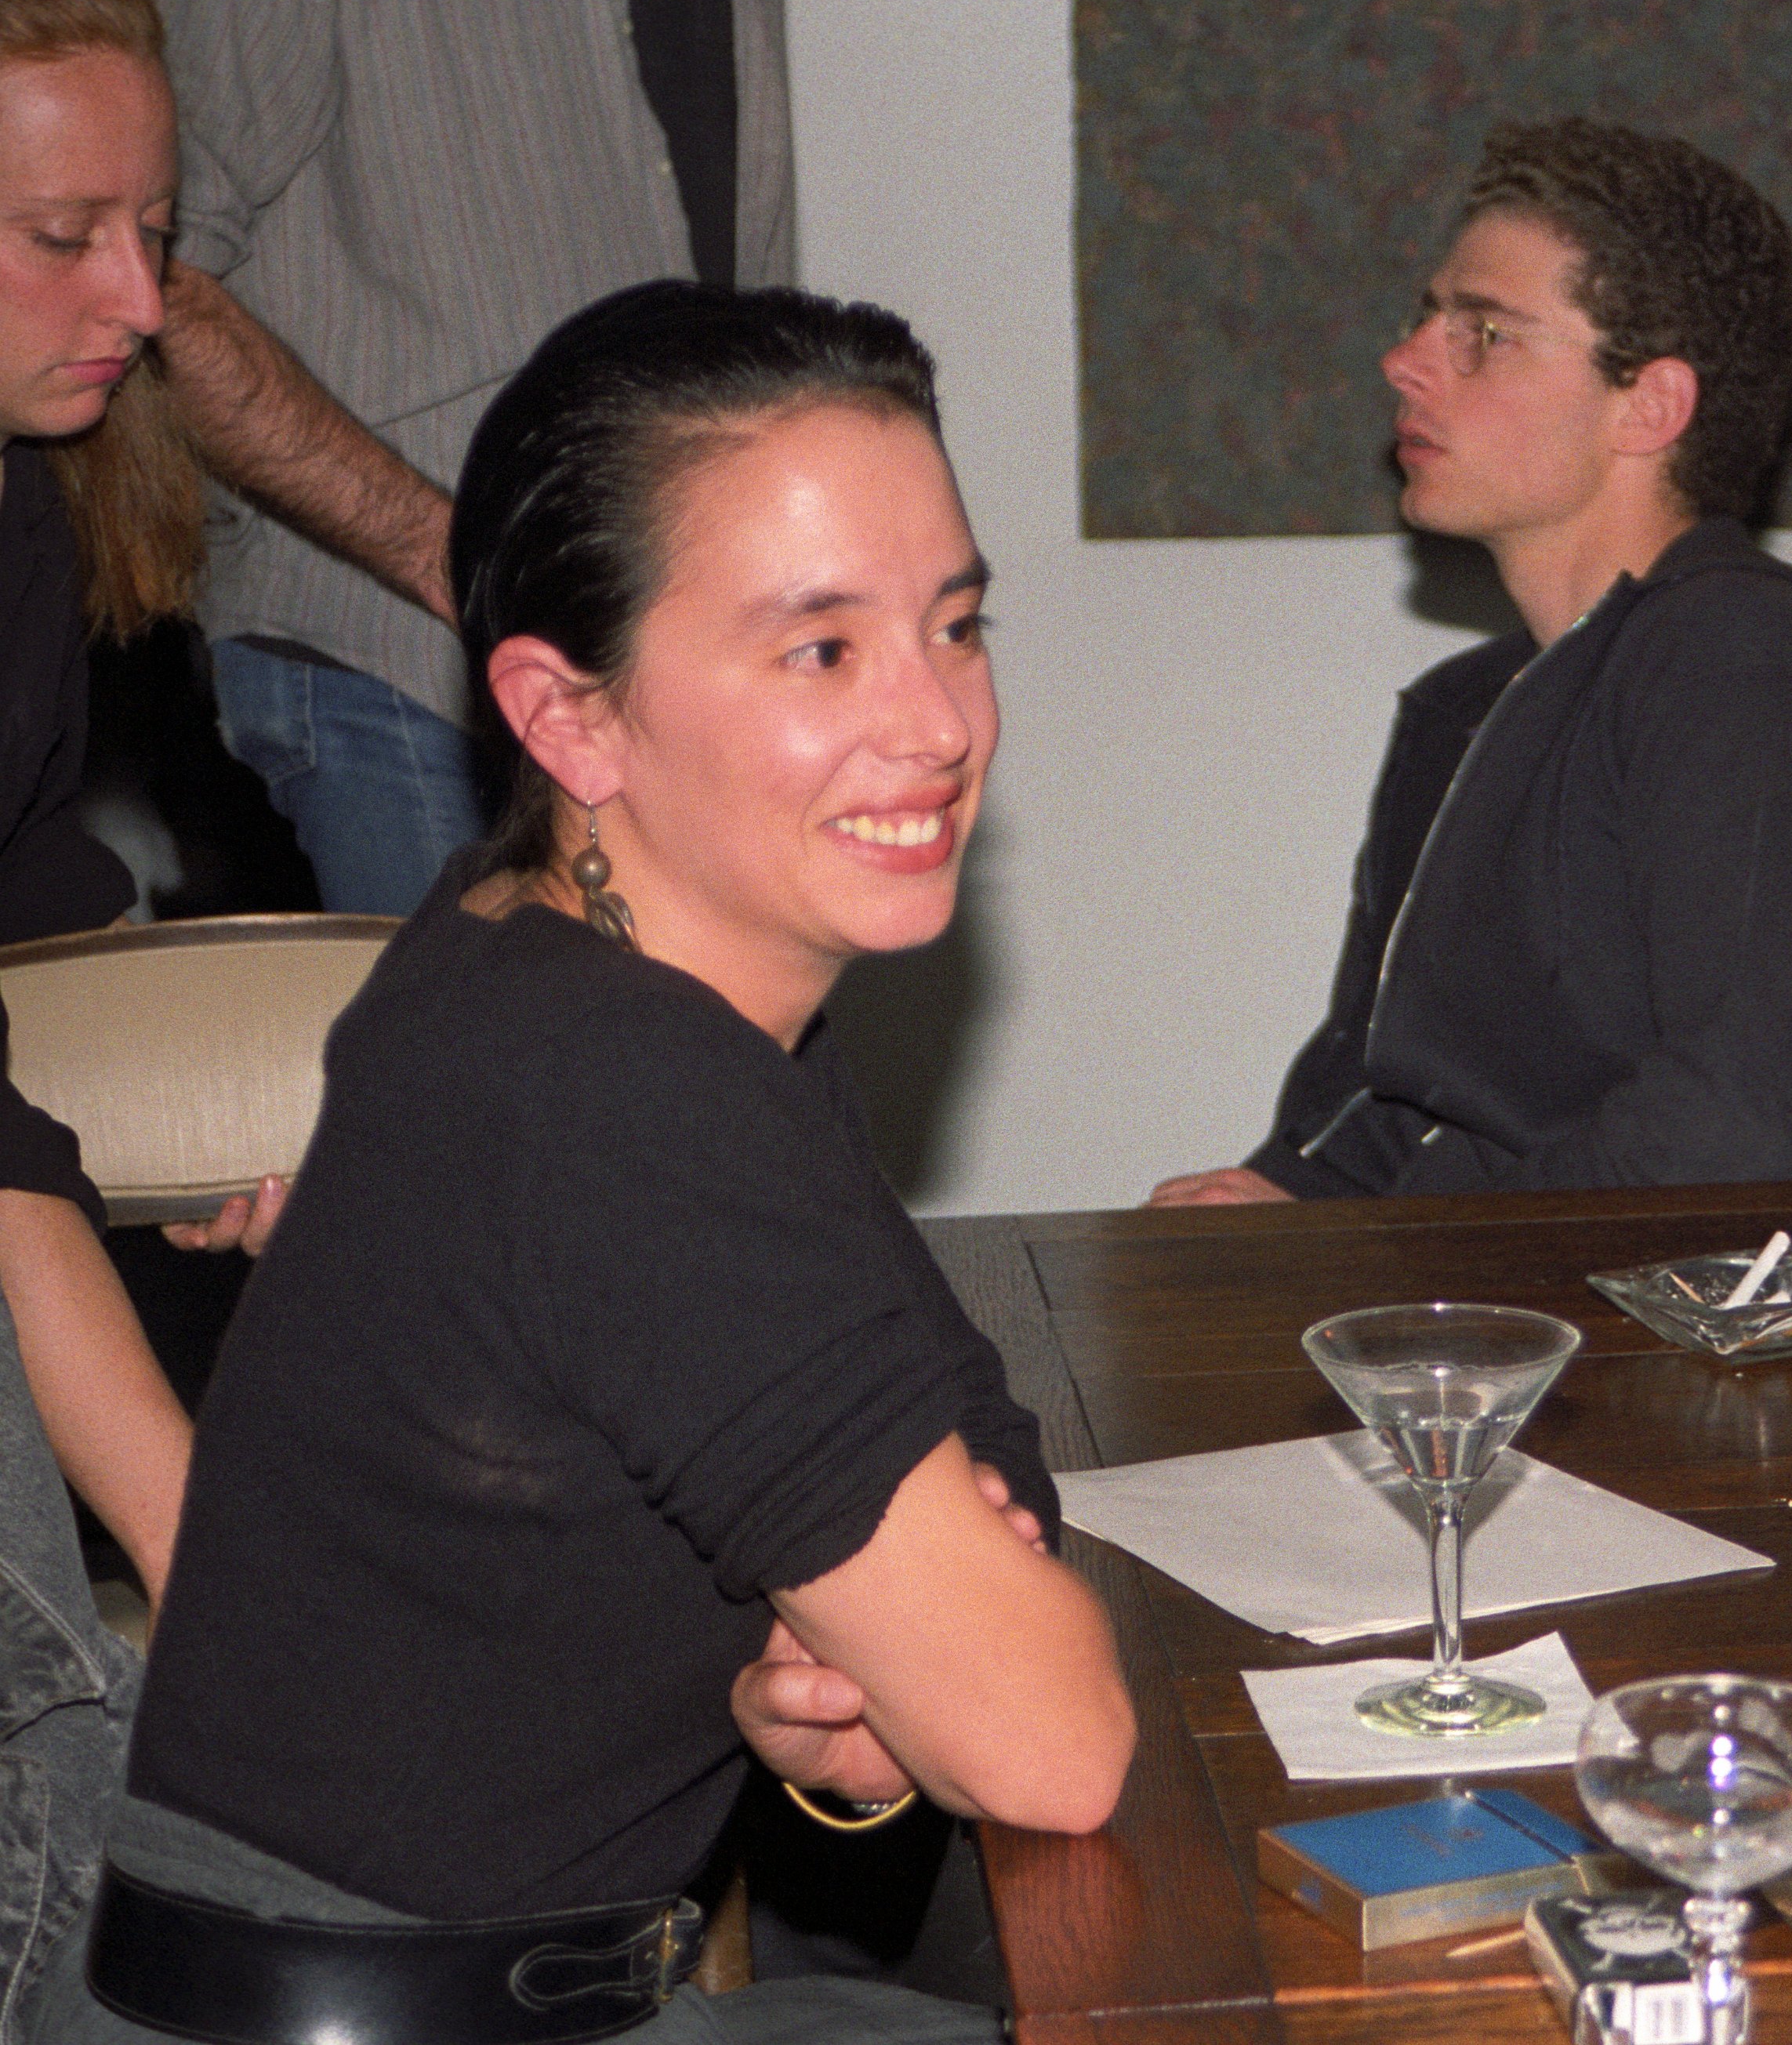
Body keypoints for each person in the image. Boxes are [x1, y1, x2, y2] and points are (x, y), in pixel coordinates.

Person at [33, 281, 1135, 2043]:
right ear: (568, 716)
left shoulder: (563, 962)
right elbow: (1051, 1741)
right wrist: (915, 1640)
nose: (938, 723)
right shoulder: (618, 1088)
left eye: (956, 623)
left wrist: (842, 1683)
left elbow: (980, 1442)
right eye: (822, 649)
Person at [1151, 119, 1792, 1205]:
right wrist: (1281, 1200)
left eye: (1485, 333)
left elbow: (1735, 1134)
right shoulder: (1471, 705)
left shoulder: (1756, 671)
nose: (1404, 361)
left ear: (1650, 407)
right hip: (1504, 1282)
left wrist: (1388, 1257)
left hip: (1707, 1302)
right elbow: (1390, 1097)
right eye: (1424, 318)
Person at [132, 0, 796, 916]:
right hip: (401, 664)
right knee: (492, 1019)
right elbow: (141, 274)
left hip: (657, 659)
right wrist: (457, 562)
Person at [0, 0, 206, 2032]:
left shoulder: (20, 510)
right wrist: (179, 1516)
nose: (138, 299)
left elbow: (30, 902)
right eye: (64, 235)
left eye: (154, 228)